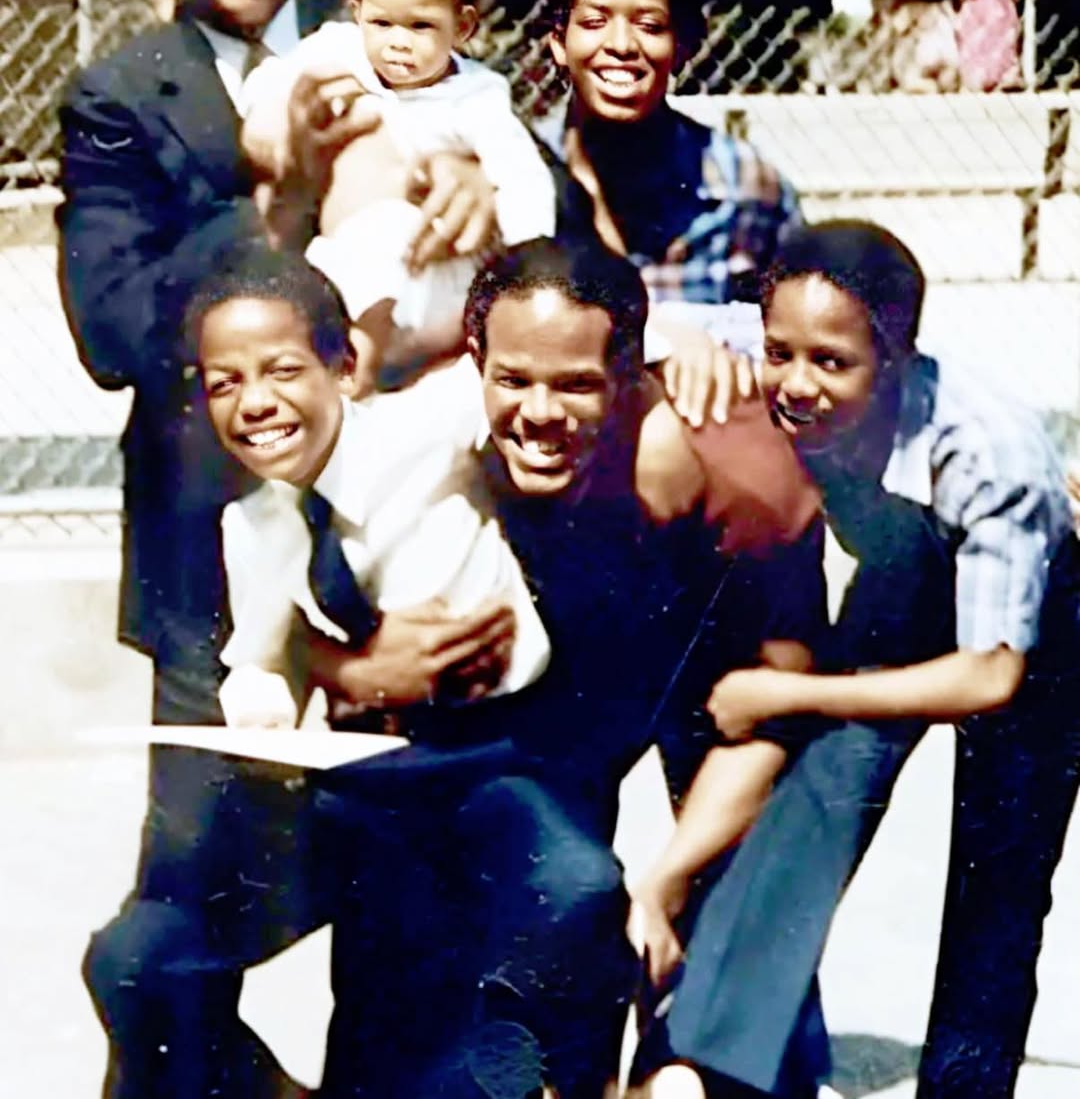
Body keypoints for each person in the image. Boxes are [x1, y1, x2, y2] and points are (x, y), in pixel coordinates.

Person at [57, 0, 504, 1095]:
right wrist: (264, 195)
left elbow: (507, 238)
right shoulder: (119, 95)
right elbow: (116, 327)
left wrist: (477, 181)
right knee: (176, 932)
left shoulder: (394, 50)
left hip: (401, 539)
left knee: (397, 900)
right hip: (216, 576)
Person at [299, 236, 825, 1098]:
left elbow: (771, 722)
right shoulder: (434, 427)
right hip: (566, 655)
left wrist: (668, 878)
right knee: (523, 898)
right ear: (476, 363)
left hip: (711, 650)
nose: (540, 412)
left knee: (735, 913)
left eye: (578, 384)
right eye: (513, 380)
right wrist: (348, 665)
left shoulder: (747, 486)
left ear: (629, 373)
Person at [632, 220, 1077, 1099]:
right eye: (779, 352)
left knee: (999, 876)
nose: (796, 384)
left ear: (902, 357)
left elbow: (990, 675)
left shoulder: (989, 455)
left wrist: (792, 689)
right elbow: (634, 314)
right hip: (907, 568)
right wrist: (675, 340)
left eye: (832, 363)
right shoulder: (773, 345)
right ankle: (717, 1060)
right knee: (821, 792)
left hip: (1045, 625)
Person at [186, 247, 549, 729]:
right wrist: (263, 710)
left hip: (514, 727)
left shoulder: (424, 425)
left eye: (283, 371)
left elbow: (543, 348)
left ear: (346, 368)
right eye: (224, 384)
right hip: (386, 743)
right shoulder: (253, 525)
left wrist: (673, 345)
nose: (254, 403)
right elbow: (262, 656)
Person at [244, 0, 557, 394]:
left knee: (387, 231)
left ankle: (361, 369)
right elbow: (276, 79)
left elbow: (522, 177)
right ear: (357, 11)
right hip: (358, 266)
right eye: (381, 23)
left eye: (420, 26)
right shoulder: (340, 51)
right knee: (339, 254)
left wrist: (527, 262)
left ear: (463, 27)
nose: (397, 43)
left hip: (436, 275)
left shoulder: (474, 95)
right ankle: (342, 361)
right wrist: (269, 113)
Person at [534, 0, 798, 331]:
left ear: (683, 46)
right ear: (558, 42)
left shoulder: (744, 186)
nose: (621, 45)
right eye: (593, 22)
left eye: (650, 26)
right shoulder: (515, 169)